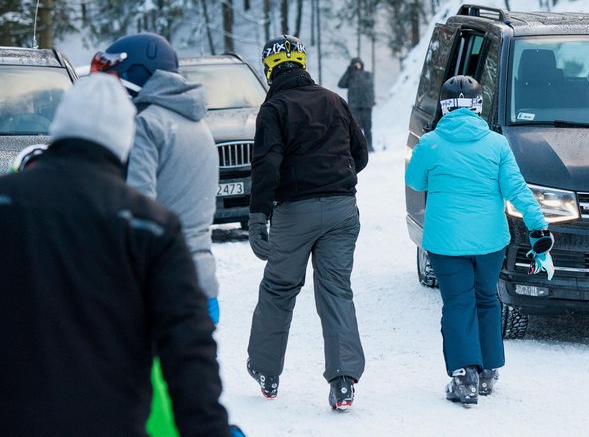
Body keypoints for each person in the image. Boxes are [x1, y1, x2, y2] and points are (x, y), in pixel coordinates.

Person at [0, 74, 232, 436]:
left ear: (60, 128)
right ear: (123, 140)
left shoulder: (7, 201)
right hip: (110, 421)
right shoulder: (150, 225)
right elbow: (188, 346)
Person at [405, 75, 554, 405]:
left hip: (446, 242)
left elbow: (414, 181)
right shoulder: (496, 144)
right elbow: (518, 190)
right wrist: (539, 229)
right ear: (478, 106)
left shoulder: (430, 143)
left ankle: (464, 376)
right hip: (490, 241)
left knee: (458, 302)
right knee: (486, 298)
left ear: (444, 107)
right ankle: (487, 371)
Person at [246, 34, 369, 411]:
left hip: (294, 212)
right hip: (342, 209)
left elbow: (266, 165)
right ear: (302, 63)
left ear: (269, 69)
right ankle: (344, 380)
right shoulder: (334, 100)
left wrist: (257, 217)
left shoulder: (274, 108)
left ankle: (266, 372)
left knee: (279, 288)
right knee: (336, 291)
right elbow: (359, 154)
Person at [90, 33, 221, 322]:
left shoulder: (146, 124)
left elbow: (138, 209)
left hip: (159, 284)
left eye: (113, 79)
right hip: (200, 280)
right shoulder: (197, 124)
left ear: (138, 73)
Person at [338, 56, 375, 152]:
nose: (357, 66)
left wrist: (356, 73)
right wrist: (349, 71)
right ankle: (357, 149)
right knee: (355, 129)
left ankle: (369, 147)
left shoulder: (367, 75)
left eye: (359, 64)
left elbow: (368, 85)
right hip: (354, 107)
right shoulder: (350, 76)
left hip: (366, 106)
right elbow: (341, 84)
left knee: (367, 128)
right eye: (355, 64)